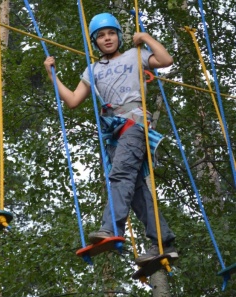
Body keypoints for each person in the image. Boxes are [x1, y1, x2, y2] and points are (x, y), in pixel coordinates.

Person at [44, 12, 178, 265]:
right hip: (115, 131)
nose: (107, 39)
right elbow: (73, 100)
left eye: (111, 34)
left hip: (135, 123)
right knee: (136, 190)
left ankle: (111, 229)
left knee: (120, 177)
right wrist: (53, 76)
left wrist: (145, 37)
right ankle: (163, 242)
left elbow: (165, 59)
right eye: (101, 36)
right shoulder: (92, 69)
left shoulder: (135, 55)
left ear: (118, 36)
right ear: (95, 42)